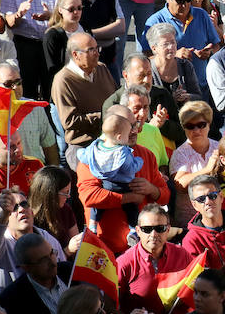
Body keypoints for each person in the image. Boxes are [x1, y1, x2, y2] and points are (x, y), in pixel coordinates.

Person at [77, 104, 170, 254]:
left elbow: (165, 196)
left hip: (142, 248)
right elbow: (89, 197)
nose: (134, 130)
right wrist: (130, 197)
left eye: (135, 125)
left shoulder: (145, 155)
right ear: (114, 130)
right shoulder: (93, 157)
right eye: (129, 126)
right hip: (105, 250)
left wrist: (151, 189)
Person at [1, 0, 68, 100]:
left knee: (52, 90)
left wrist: (51, 16)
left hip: (52, 41)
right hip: (25, 43)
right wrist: (19, 13)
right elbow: (8, 22)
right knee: (27, 91)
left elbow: (71, 15)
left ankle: (51, 123)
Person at [50, 33, 118, 170]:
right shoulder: (63, 80)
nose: (97, 54)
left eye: (97, 48)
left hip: (112, 140)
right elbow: (70, 121)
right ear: (75, 55)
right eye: (91, 50)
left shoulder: (102, 69)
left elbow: (117, 99)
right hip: (83, 146)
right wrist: (105, 117)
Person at [117, 204, 195, 314]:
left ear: (168, 230)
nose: (153, 234)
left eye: (160, 229)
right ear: (138, 231)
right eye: (147, 229)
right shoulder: (124, 263)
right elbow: (110, 308)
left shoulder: (182, 254)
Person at [76, 111, 142, 240]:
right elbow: (130, 168)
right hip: (123, 185)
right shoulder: (122, 151)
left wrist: (79, 152)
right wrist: (139, 161)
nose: (132, 134)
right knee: (131, 208)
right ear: (119, 137)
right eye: (128, 133)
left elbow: (83, 156)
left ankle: (93, 224)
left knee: (98, 206)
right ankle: (133, 229)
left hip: (106, 184)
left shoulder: (96, 148)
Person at [0, 188, 70, 293]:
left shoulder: (48, 239)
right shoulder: (1, 244)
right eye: (14, 208)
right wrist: (3, 215)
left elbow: (62, 274)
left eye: (24, 204)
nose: (21, 209)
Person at [0, 233, 72, 314]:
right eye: (43, 260)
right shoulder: (11, 300)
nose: (52, 262)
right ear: (26, 267)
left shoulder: (69, 271)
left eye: (52, 253)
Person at [67, 0, 124, 74]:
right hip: (79, 65)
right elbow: (69, 34)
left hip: (108, 61)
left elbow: (121, 27)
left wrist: (89, 34)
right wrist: (106, 34)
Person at [170, 100, 219, 226]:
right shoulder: (180, 153)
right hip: (190, 220)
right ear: (184, 128)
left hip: (217, 214)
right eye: (190, 126)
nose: (196, 130)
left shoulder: (219, 148)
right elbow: (179, 185)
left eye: (201, 125)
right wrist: (207, 170)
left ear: (209, 124)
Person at [146, 23, 203, 108]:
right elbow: (146, 101)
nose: (171, 47)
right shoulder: (148, 69)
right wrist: (172, 99)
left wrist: (187, 97)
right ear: (154, 48)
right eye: (165, 44)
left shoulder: (185, 65)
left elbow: (198, 96)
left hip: (184, 117)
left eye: (173, 42)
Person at [27, 166, 77, 249]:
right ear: (51, 195)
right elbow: (40, 259)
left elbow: (75, 238)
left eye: (69, 191)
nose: (68, 196)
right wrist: (68, 250)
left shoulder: (65, 210)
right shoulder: (29, 218)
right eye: (65, 192)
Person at [43, 0, 84, 82]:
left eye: (79, 8)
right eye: (71, 9)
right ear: (60, 10)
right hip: (65, 84)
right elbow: (52, 70)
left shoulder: (85, 29)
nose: (76, 12)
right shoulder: (53, 35)